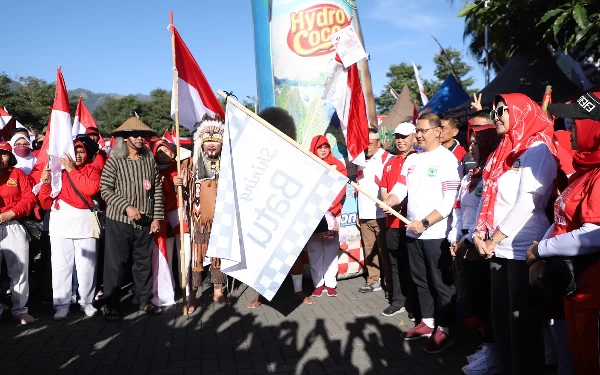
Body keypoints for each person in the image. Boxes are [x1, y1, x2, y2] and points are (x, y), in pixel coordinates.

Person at [471, 94, 557, 374]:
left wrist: (492, 238)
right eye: (494, 111)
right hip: (497, 247)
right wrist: (477, 234)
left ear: (521, 112)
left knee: (523, 327)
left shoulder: (537, 149)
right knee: (502, 322)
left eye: (502, 111)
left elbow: (528, 201)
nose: (496, 116)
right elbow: (485, 197)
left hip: (522, 248)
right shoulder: (502, 150)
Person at [526, 92, 600, 375]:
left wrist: (540, 251)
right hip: (574, 285)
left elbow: (594, 235)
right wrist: (539, 254)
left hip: (593, 292)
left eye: (575, 125)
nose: (568, 131)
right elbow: (561, 219)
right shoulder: (586, 170)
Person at [382, 112, 460, 354]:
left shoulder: (447, 160)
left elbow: (449, 202)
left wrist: (425, 223)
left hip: (434, 233)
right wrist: (391, 201)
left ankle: (444, 329)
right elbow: (400, 188)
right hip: (413, 232)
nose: (418, 135)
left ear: (437, 131)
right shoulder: (412, 160)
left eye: (423, 130)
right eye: (417, 130)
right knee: (420, 281)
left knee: (440, 284)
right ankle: (427, 323)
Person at [247, 107, 314, 308]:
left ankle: (298, 291)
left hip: (288, 210)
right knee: (261, 256)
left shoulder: (295, 154)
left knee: (294, 255)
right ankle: (260, 295)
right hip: (264, 212)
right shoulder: (258, 154)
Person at [100, 117, 163, 321]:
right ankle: (111, 305)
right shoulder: (115, 161)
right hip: (119, 221)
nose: (140, 138)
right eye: (135, 135)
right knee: (115, 265)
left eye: (142, 135)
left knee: (143, 263)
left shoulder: (149, 160)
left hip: (145, 221)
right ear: (125, 138)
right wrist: (126, 206)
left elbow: (157, 190)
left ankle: (144, 300)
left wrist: (156, 217)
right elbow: (105, 191)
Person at [449, 125, 499, 374]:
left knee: (488, 301)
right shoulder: (470, 176)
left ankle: (493, 351)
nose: (470, 147)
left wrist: (466, 241)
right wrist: (454, 238)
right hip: (464, 245)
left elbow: (485, 213)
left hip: (480, 246)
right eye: (469, 143)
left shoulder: (492, 174)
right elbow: (459, 209)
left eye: (476, 142)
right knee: (476, 301)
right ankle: (488, 347)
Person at [39, 140, 101, 320]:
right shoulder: (57, 172)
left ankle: (87, 302)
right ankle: (61, 304)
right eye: (74, 152)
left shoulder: (92, 169)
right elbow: (45, 203)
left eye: (81, 151)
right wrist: (45, 183)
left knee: (87, 267)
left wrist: (72, 170)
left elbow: (91, 189)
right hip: (60, 225)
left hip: (85, 225)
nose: (78, 155)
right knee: (60, 267)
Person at [182, 119, 229, 307]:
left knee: (219, 256)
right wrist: (180, 182)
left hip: (220, 220)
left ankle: (218, 292)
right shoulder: (191, 164)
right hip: (198, 219)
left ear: (221, 145)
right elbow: (183, 189)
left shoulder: (227, 166)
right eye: (208, 141)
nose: (211, 145)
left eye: (215, 141)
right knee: (196, 258)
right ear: (201, 143)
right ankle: (192, 295)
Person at [379, 123, 418, 320]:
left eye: (404, 136)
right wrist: (389, 204)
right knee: (394, 263)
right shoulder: (389, 163)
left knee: (413, 266)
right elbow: (385, 191)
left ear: (414, 136)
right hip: (392, 224)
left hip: (413, 225)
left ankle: (414, 304)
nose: (400, 141)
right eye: (398, 137)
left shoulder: (419, 159)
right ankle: (398, 301)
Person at [151, 140, 191, 308]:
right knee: (167, 255)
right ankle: (171, 287)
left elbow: (190, 190)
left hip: (179, 213)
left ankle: (186, 286)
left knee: (185, 253)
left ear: (172, 153)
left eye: (165, 150)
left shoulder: (181, 168)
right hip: (163, 216)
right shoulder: (151, 170)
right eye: (159, 151)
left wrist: (182, 184)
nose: (162, 154)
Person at [0, 141, 36, 324]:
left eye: (4, 153)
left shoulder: (17, 173)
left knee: (19, 270)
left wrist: (11, 213)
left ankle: (20, 309)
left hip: (13, 224)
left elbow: (29, 197)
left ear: (10, 156)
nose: (0, 158)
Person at [306, 135, 347, 297]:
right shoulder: (307, 164)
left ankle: (330, 283)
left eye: (326, 147)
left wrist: (331, 205)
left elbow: (342, 187)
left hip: (333, 212)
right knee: (314, 249)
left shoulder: (337, 165)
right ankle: (317, 284)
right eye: (319, 147)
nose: (323, 150)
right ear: (314, 148)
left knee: (330, 249)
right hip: (313, 214)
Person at [357, 128, 392, 294]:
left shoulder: (387, 159)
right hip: (364, 214)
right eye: (364, 144)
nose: (367, 147)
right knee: (369, 250)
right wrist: (359, 213)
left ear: (378, 142)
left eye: (370, 144)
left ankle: (389, 283)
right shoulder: (361, 160)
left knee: (384, 251)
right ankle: (373, 281)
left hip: (380, 215)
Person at [462, 111, 494, 176]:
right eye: (472, 127)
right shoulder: (468, 157)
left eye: (478, 127)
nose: (475, 130)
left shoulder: (499, 167)